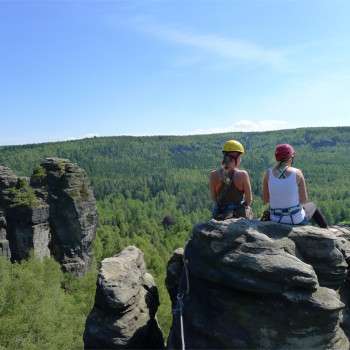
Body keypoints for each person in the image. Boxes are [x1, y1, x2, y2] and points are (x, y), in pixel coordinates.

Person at [262, 143, 328, 228]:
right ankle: (326, 230)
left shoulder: (268, 173)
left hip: (275, 218)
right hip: (295, 220)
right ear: (291, 157)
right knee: (311, 206)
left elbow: (265, 200)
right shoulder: (297, 173)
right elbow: (304, 200)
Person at [209, 139, 253, 220]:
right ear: (236, 158)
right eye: (240, 157)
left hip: (218, 214)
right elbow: (249, 200)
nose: (241, 159)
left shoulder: (213, 174)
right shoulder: (243, 174)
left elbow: (214, 198)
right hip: (237, 216)